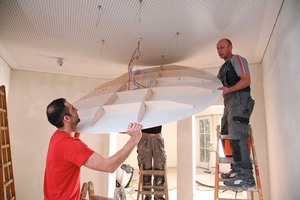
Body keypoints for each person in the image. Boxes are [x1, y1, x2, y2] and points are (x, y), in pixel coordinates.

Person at [44, 98, 142, 200]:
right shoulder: (71, 146)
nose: (76, 110)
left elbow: (72, 144)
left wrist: (113, 125)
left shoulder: (57, 137)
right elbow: (109, 166)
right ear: (66, 119)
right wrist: (135, 139)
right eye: (73, 109)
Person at [216, 38, 256, 187]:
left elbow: (246, 80)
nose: (220, 51)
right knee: (226, 135)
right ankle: (235, 168)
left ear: (230, 47)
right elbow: (216, 85)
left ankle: (245, 175)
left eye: (222, 47)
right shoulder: (223, 68)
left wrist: (229, 90)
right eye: (217, 49)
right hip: (229, 104)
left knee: (238, 138)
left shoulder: (237, 60)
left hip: (239, 101)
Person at [137, 125, 167, 200]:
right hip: (144, 138)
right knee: (145, 167)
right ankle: (147, 195)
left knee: (160, 166)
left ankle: (158, 195)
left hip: (157, 137)